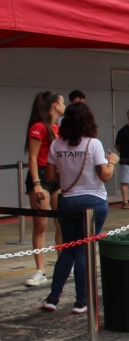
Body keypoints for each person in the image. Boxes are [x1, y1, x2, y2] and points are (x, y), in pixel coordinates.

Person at [41, 103, 119, 313]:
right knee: (85, 250)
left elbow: (49, 176)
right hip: (93, 200)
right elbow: (105, 175)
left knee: (68, 250)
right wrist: (112, 162)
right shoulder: (93, 144)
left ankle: (52, 298)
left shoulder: (57, 145)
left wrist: (66, 174)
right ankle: (81, 301)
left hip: (67, 201)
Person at [23, 91, 65, 287]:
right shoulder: (39, 127)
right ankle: (40, 270)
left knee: (61, 224)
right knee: (41, 225)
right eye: (62, 102)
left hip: (57, 177)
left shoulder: (58, 128)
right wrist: (36, 183)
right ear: (55, 106)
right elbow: (32, 158)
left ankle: (63, 263)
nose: (64, 105)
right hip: (40, 177)